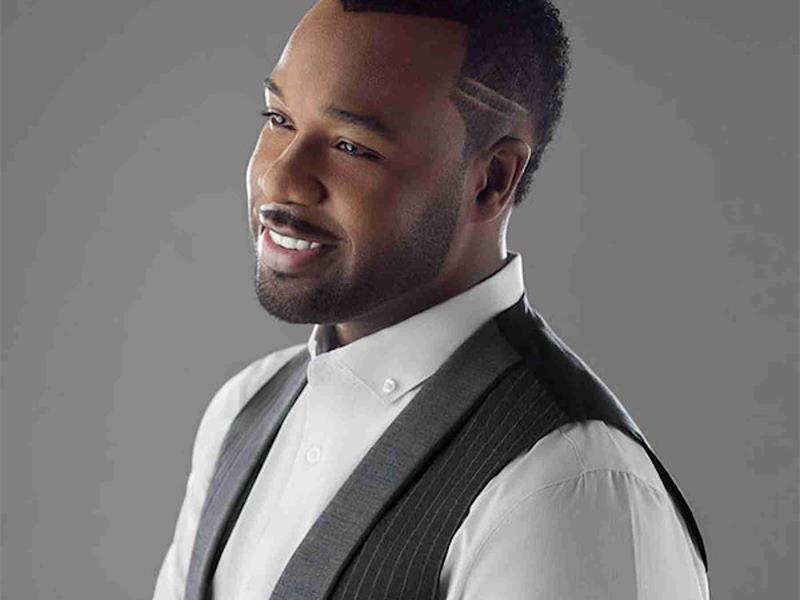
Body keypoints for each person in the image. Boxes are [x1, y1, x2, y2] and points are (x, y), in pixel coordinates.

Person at [152, 0, 710, 598]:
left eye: (351, 146)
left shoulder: (565, 482)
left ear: (492, 180)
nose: (279, 179)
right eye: (279, 119)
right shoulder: (242, 412)